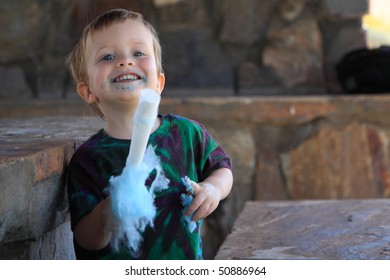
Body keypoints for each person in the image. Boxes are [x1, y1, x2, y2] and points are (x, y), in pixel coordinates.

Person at [66, 8, 233, 260]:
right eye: (107, 56)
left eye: (138, 53)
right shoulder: (88, 158)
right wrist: (110, 209)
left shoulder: (186, 133)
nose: (125, 61)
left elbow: (222, 168)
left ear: (159, 83)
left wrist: (212, 189)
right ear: (88, 91)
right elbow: (85, 239)